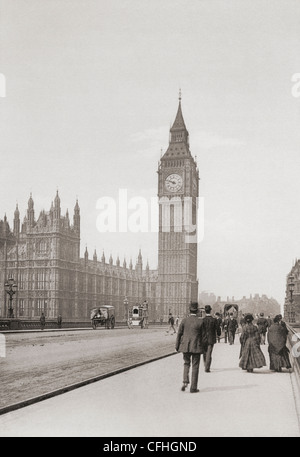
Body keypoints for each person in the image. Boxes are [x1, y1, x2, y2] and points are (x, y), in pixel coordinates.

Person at [175, 302, 204, 393]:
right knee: (195, 366)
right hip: (196, 346)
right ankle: (193, 388)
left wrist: (177, 346)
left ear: (189, 310)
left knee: (186, 363)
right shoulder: (200, 321)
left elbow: (179, 334)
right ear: (197, 310)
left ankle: (185, 381)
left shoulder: (184, 320)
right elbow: (203, 336)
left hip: (186, 346)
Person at [202, 305, 221, 372]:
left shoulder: (202, 320)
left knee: (204, 353)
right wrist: (219, 334)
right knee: (209, 353)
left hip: (203, 339)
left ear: (205, 311)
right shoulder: (214, 320)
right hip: (211, 338)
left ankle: (205, 364)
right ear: (210, 311)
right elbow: (218, 328)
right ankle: (207, 367)